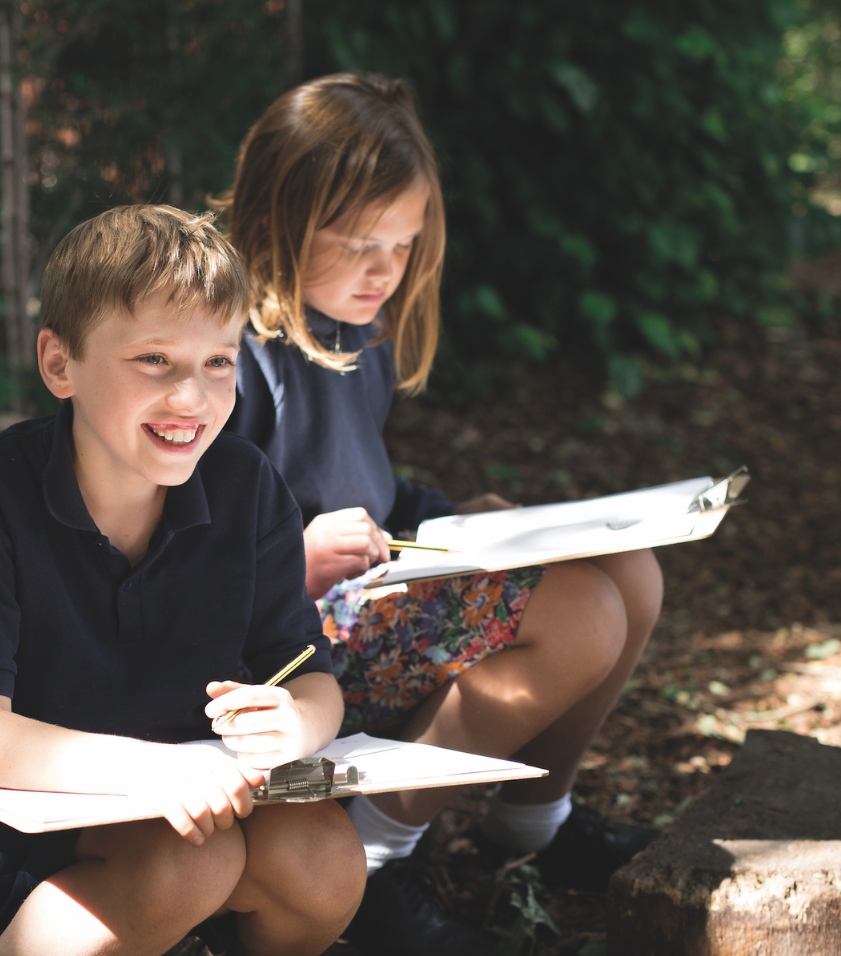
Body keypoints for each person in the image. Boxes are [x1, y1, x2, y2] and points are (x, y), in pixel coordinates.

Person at [217, 73, 663, 954]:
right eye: (357, 243)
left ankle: (536, 821)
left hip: (362, 597)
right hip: (283, 642)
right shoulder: (230, 358)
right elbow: (183, 542)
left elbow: (359, 487)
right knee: (579, 613)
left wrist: (456, 516)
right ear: (277, 220)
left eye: (405, 243)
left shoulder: (355, 330)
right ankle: (378, 855)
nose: (387, 269)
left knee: (633, 575)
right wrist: (292, 556)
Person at [0, 205, 366, 956]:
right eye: (155, 361)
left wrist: (295, 722)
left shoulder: (248, 486)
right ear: (59, 365)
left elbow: (313, 677)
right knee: (188, 862)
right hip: (12, 812)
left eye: (219, 362)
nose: (193, 398)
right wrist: (152, 771)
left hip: (194, 793)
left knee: (328, 858)